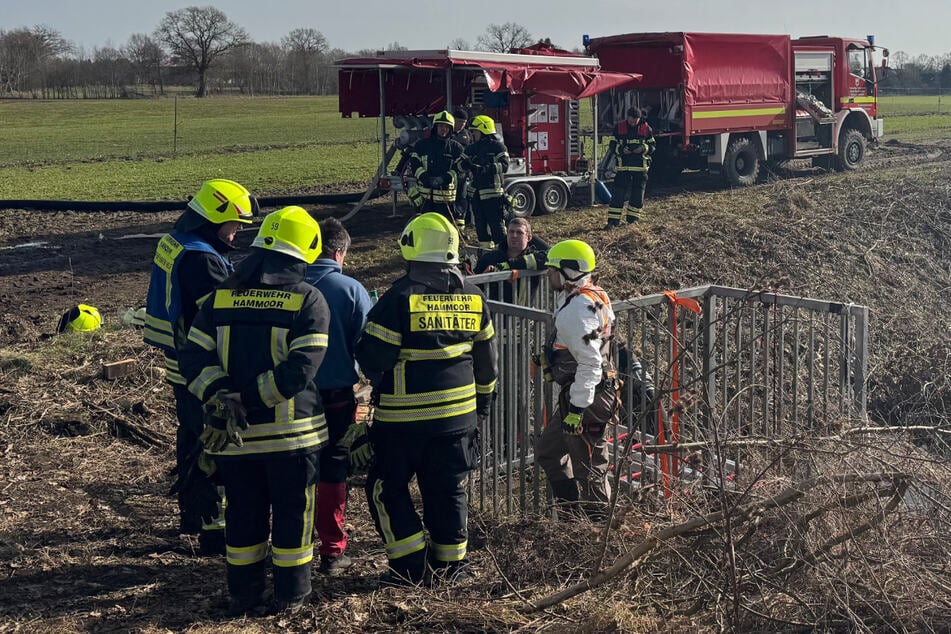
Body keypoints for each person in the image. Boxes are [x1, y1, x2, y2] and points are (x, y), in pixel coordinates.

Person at [178, 206, 331, 616]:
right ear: (305, 252)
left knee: (243, 517)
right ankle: (292, 595)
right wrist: (252, 398)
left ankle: (243, 594)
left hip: (235, 439)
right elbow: (301, 370)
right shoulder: (308, 299)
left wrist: (225, 397)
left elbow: (192, 358)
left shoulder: (219, 298)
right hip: (293, 439)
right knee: (292, 517)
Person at [355, 212, 498, 586]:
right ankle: (452, 568)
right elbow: (487, 364)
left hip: (404, 422)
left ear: (412, 249)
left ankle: (409, 566)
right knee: (447, 487)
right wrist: (482, 407)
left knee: (386, 487)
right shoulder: (474, 296)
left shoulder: (398, 298)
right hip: (460, 420)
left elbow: (373, 359)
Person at [144, 178, 255, 556]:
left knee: (191, 436)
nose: (238, 232)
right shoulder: (202, 260)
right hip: (201, 367)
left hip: (180, 362)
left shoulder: (177, 240)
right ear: (214, 217)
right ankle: (214, 531)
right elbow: (224, 311)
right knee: (214, 445)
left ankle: (192, 516)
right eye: (235, 224)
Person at [304, 217, 373, 577]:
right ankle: (332, 551)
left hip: (291, 397)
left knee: (295, 470)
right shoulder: (351, 289)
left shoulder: (290, 285)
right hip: (336, 398)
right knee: (333, 469)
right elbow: (369, 348)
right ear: (339, 251)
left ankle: (292, 546)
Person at [535, 240, 619, 521]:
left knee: (591, 469)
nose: (549, 275)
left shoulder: (576, 310)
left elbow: (591, 362)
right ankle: (571, 520)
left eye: (552, 270)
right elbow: (591, 346)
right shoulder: (591, 296)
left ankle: (599, 535)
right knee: (548, 452)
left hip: (587, 398)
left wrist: (577, 409)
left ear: (569, 271)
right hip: (582, 393)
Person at [459, 115, 510, 249]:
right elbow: (459, 165)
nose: (473, 134)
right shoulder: (472, 148)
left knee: (497, 226)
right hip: (476, 194)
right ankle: (486, 251)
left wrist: (484, 169)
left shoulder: (498, 147)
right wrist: (466, 165)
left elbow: (504, 165)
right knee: (480, 226)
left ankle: (503, 253)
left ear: (484, 130)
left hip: (493, 194)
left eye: (475, 131)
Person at [407, 110, 465, 227]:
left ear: (451, 129)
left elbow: (459, 169)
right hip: (424, 200)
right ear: (435, 127)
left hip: (446, 202)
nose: (443, 129)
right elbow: (414, 163)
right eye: (441, 126)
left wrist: (444, 179)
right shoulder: (422, 145)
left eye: (446, 127)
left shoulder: (456, 148)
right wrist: (425, 178)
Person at [473, 218, 549, 304]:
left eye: (519, 232)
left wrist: (510, 265)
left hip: (524, 314)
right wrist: (484, 277)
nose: (514, 235)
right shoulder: (490, 258)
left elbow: (550, 256)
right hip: (494, 314)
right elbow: (473, 282)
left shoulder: (536, 257)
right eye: (511, 232)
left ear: (529, 237)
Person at [606, 107, 655, 229]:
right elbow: (612, 145)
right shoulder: (619, 127)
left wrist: (643, 148)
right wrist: (622, 150)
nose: (633, 123)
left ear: (639, 118)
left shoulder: (646, 128)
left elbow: (652, 146)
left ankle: (632, 220)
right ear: (627, 117)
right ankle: (613, 222)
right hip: (624, 167)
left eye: (636, 120)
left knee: (637, 195)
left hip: (640, 168)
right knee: (618, 195)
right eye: (631, 120)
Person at [451, 106, 474, 229]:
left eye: (464, 123)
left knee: (463, 197)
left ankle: (462, 224)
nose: (461, 125)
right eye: (459, 122)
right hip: (450, 173)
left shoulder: (467, 134)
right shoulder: (447, 133)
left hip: (463, 174)